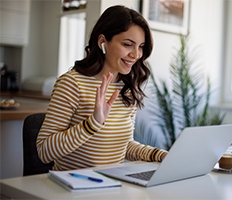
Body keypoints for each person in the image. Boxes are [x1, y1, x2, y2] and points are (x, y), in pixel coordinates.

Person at [36, 5, 167, 171]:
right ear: (102, 42)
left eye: (141, 46)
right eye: (128, 44)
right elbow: (44, 151)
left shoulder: (127, 87)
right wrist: (93, 123)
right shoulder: (72, 84)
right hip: (73, 187)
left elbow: (122, 145)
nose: (136, 55)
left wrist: (159, 155)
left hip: (112, 185)